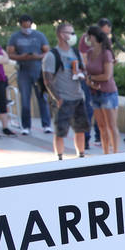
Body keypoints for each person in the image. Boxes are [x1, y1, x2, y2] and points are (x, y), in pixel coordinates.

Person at [41, 21, 89, 159]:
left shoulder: (75, 52)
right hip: (63, 98)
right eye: (71, 33)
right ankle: (60, 157)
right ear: (62, 35)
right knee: (60, 131)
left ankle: (81, 155)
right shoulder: (52, 55)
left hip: (77, 97)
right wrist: (58, 99)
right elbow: (47, 80)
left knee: (80, 130)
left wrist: (81, 73)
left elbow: (83, 70)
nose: (74, 36)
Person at [6, 14, 51, 134]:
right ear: (20, 25)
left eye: (28, 24)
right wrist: (21, 57)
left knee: (42, 97)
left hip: (38, 69)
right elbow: (9, 53)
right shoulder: (15, 37)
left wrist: (37, 56)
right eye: (24, 25)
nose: (26, 27)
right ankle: (26, 126)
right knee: (25, 99)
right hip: (23, 70)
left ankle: (46, 125)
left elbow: (47, 51)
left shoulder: (39, 36)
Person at [84, 25, 119, 154]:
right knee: (101, 126)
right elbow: (87, 71)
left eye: (89, 36)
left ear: (94, 37)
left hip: (107, 93)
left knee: (111, 126)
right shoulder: (89, 53)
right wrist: (89, 81)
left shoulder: (106, 53)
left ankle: (115, 153)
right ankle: (105, 153)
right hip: (94, 93)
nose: (87, 39)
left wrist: (91, 78)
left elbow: (107, 75)